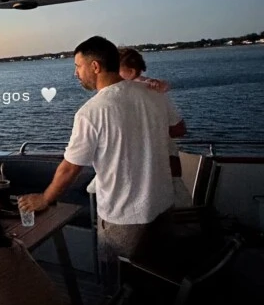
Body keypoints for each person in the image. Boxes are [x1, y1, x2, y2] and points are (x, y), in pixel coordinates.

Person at [19, 35, 185, 277]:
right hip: (162, 205)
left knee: (118, 285)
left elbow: (69, 169)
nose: (76, 73)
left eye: (78, 66)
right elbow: (177, 128)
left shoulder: (92, 112)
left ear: (95, 66)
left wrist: (44, 199)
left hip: (125, 217)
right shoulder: (154, 93)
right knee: (159, 277)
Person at [118, 46, 192, 207]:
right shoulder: (154, 91)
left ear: (130, 72)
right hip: (157, 169)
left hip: (151, 172)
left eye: (116, 71)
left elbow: (179, 129)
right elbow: (179, 129)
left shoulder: (151, 91)